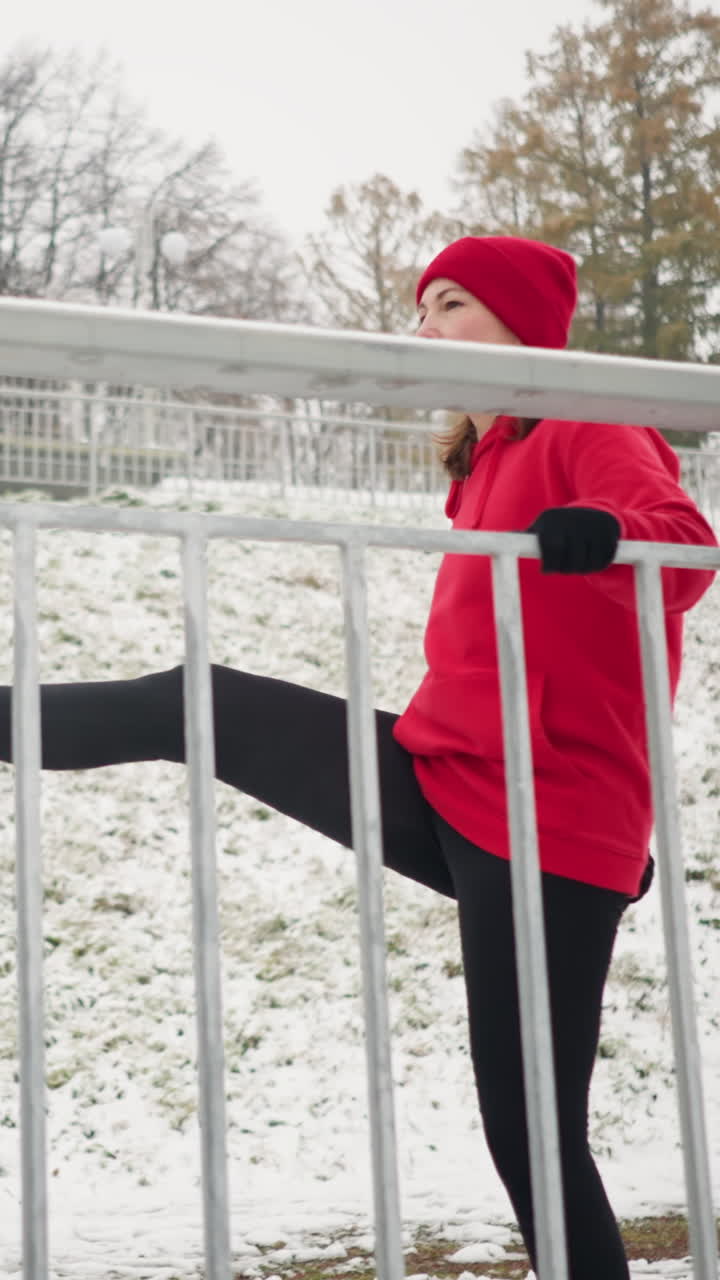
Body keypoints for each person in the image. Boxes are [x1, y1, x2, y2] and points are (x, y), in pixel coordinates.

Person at [0, 235, 716, 1280]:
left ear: (522, 327)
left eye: (452, 304)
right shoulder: (483, 463)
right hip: (446, 770)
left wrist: (605, 525)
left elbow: (683, 538)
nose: (424, 329)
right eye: (421, 309)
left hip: (551, 815)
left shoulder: (585, 419)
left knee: (533, 1138)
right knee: (198, 700)